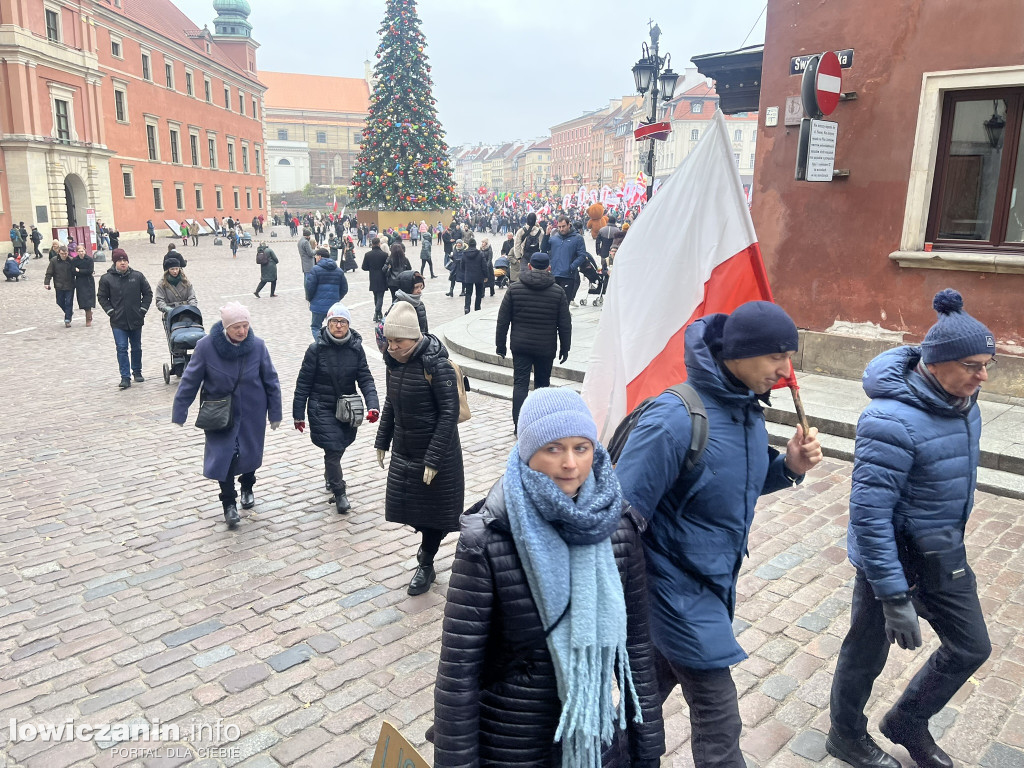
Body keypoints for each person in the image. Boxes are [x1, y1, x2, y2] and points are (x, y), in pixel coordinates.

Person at [615, 301, 823, 768]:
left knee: (641, 699)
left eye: (788, 356)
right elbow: (620, 517)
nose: (785, 370)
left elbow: (734, 481)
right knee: (719, 718)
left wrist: (788, 467)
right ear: (741, 354)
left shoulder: (746, 410)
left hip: (713, 584)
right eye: (775, 356)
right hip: (672, 589)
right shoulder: (673, 419)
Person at [431, 388, 665, 768]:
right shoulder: (488, 540)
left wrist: (648, 749)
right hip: (511, 740)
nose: (570, 463)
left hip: (594, 740)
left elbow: (637, 646)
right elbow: (458, 674)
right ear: (528, 452)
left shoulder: (620, 529)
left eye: (581, 447)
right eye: (553, 449)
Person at [825, 289, 994, 768]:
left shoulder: (966, 401)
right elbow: (869, 515)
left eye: (987, 365)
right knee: (866, 654)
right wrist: (894, 596)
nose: (983, 376)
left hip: (943, 553)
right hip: (893, 560)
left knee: (971, 646)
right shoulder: (888, 420)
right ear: (935, 363)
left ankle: (907, 721)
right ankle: (845, 735)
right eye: (972, 366)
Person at [374, 302, 464, 596]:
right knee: (410, 508)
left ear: (414, 337)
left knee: (433, 513)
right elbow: (391, 404)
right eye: (389, 340)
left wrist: (434, 458)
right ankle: (426, 556)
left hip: (436, 452)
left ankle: (425, 562)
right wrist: (382, 441)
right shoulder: (394, 363)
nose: (392, 347)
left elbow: (449, 413)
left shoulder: (435, 364)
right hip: (405, 449)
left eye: (398, 341)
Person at [171, 303, 282, 529]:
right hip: (219, 411)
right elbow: (190, 380)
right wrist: (180, 410)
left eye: (245, 326)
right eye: (236, 327)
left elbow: (271, 380)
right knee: (225, 457)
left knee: (250, 453)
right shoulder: (205, 347)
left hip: (252, 410)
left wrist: (275, 412)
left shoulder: (258, 346)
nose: (242, 331)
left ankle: (248, 485)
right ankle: (228, 503)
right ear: (225, 327)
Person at [293, 302, 380, 514]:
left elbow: (365, 378)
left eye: (342, 322)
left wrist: (373, 406)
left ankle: (330, 474)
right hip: (320, 406)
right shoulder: (315, 350)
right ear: (328, 324)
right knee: (332, 449)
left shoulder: (356, 349)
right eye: (334, 322)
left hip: (346, 409)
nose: (339, 326)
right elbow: (303, 383)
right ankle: (340, 492)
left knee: (338, 448)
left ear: (348, 324)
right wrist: (298, 414)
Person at [495, 253, 571, 430]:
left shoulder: (514, 289)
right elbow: (565, 324)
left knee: (520, 384)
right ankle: (539, 423)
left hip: (520, 345)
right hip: (546, 346)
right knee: (542, 385)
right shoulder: (558, 292)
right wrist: (565, 347)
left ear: (529, 266)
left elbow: (503, 320)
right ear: (549, 268)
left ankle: (519, 425)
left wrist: (500, 345)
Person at [97, 249, 153, 389]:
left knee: (136, 347)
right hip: (118, 320)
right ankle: (125, 376)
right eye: (120, 261)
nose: (123, 263)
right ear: (115, 262)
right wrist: (111, 311)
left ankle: (137, 371)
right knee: (121, 348)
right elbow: (102, 297)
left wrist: (142, 310)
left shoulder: (137, 276)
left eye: (125, 260)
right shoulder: (106, 279)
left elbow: (147, 293)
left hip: (135, 318)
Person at [542, 215, 589, 306]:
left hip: (568, 276)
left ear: (569, 225)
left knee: (564, 303)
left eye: (563, 226)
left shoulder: (577, 238)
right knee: (553, 303)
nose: (561, 229)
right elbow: (544, 249)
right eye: (559, 227)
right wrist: (546, 235)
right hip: (554, 274)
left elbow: (582, 255)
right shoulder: (555, 237)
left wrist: (571, 267)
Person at [305, 247, 348, 342]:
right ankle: (332, 344)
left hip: (318, 304)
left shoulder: (315, 270)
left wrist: (310, 298)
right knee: (333, 326)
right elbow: (344, 288)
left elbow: (309, 287)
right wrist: (337, 298)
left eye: (316, 256)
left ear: (319, 257)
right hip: (333, 305)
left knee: (315, 326)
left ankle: (320, 344)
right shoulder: (339, 270)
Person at [44, 244, 76, 327]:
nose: (64, 255)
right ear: (59, 253)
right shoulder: (54, 261)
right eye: (62, 254)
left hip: (70, 285)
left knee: (69, 302)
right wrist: (47, 283)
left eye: (65, 253)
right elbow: (49, 272)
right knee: (59, 301)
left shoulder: (71, 260)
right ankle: (69, 312)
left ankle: (67, 319)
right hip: (59, 285)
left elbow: (76, 272)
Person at [361, 236, 389, 322]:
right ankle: (378, 312)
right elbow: (387, 266)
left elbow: (364, 267)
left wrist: (371, 268)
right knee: (380, 296)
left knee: (376, 296)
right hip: (382, 277)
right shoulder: (384, 255)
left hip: (373, 277)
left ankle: (377, 313)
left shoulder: (368, 254)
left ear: (372, 244)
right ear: (379, 244)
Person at [513, 212, 544, 283]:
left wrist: (518, 257)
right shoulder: (540, 231)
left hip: (524, 256)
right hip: (536, 256)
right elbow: (541, 244)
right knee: (536, 275)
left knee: (524, 275)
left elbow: (517, 245)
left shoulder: (521, 231)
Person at [72, 243, 96, 327]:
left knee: (88, 301)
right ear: (76, 252)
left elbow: (90, 271)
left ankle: (88, 318)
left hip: (88, 281)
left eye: (82, 251)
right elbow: (73, 271)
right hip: (79, 282)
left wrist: (80, 271)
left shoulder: (89, 259)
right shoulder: (75, 260)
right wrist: (79, 272)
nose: (81, 253)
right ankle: (88, 313)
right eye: (79, 251)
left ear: (84, 250)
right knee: (83, 300)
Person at [461, 238, 486, 314]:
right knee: (478, 293)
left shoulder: (464, 254)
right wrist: (486, 276)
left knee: (468, 293)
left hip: (468, 276)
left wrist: (465, 272)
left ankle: (467, 307)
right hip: (479, 276)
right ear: (475, 245)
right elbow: (484, 266)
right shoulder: (480, 253)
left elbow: (462, 265)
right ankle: (477, 308)